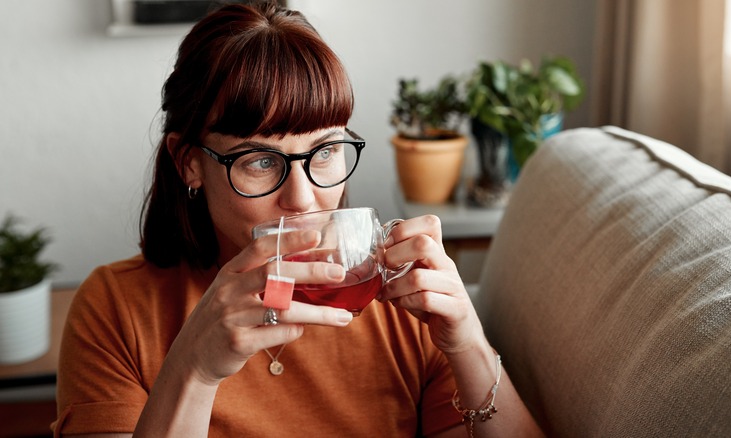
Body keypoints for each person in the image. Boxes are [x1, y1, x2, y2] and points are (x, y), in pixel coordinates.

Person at [54, 2, 542, 437]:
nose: (304, 199)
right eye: (261, 160)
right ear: (189, 162)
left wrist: (468, 345)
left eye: (325, 150)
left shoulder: (397, 299)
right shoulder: (113, 311)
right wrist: (194, 370)